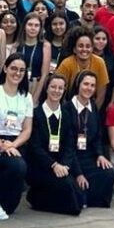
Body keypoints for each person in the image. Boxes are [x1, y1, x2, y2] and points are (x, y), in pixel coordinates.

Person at [0, 55, 33, 220]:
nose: (17, 73)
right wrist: (2, 145)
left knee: (10, 207)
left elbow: (27, 129)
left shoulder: (26, 97)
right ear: (5, 69)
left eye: (21, 70)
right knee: (17, 166)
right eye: (14, 69)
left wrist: (13, 145)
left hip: (17, 141)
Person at [24, 74, 83, 215]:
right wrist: (54, 165)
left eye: (60, 88)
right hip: (41, 166)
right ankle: (35, 197)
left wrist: (65, 166)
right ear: (46, 88)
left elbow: (69, 146)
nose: (56, 91)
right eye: (53, 87)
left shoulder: (67, 115)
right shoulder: (36, 114)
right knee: (70, 196)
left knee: (79, 195)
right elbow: (35, 147)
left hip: (61, 166)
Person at [68, 70, 114, 208]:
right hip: (72, 158)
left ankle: (87, 199)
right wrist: (78, 174)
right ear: (78, 84)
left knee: (109, 173)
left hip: (89, 156)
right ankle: (81, 196)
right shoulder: (67, 108)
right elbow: (68, 146)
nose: (89, 88)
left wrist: (100, 155)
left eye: (92, 85)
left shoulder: (93, 106)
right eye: (86, 84)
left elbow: (98, 136)